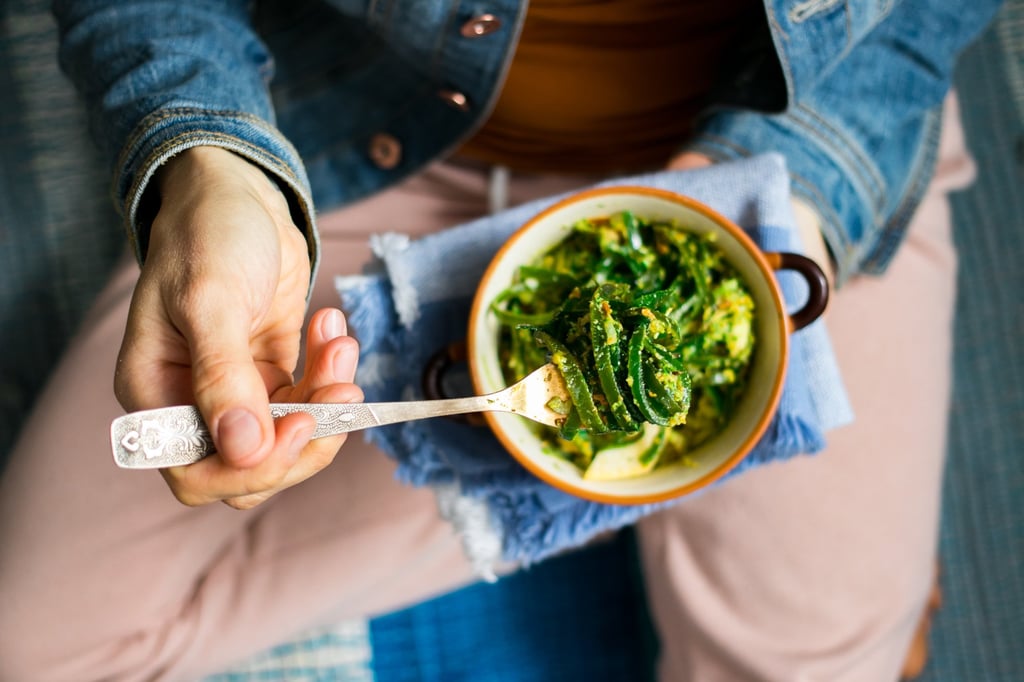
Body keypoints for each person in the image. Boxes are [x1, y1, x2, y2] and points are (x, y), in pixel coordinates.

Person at [0, 0, 1001, 680]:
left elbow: (920, 20)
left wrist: (803, 201)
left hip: (791, 138)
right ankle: (547, 504)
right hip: (362, 132)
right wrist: (207, 156)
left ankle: (546, 504)